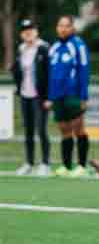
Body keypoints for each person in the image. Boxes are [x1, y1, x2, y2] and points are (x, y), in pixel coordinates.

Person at [46, 16, 90, 177]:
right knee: (64, 130)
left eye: (66, 26)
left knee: (78, 128)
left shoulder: (78, 45)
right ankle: (66, 165)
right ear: (57, 28)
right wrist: (50, 97)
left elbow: (84, 70)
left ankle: (82, 165)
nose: (63, 29)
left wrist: (84, 97)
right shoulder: (55, 47)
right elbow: (51, 73)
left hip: (73, 94)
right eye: (60, 25)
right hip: (57, 96)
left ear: (72, 28)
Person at [10, 20, 51, 176]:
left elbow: (49, 74)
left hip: (40, 96)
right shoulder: (21, 49)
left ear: (36, 31)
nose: (28, 33)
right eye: (25, 30)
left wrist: (48, 97)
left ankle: (45, 163)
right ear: (21, 34)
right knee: (28, 131)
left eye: (31, 30)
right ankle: (29, 162)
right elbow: (19, 70)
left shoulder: (44, 48)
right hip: (25, 94)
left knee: (41, 129)